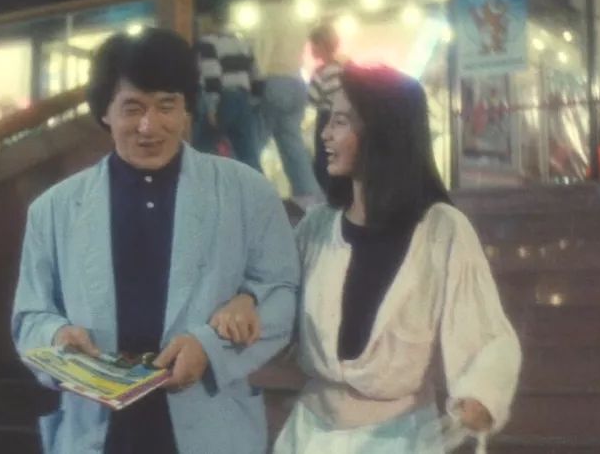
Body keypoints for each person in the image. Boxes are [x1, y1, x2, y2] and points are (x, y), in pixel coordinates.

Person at [11, 28, 300, 454]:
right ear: (105, 112)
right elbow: (29, 317)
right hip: (97, 430)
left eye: (167, 106)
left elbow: (281, 294)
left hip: (211, 424)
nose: (150, 126)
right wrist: (57, 337)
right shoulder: (53, 209)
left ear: (187, 109)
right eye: (133, 108)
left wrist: (210, 348)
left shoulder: (246, 191)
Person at [210, 64, 521, 453]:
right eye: (328, 120)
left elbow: (486, 330)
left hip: (402, 437)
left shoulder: (442, 230)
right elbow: (275, 286)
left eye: (340, 122)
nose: (325, 134)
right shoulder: (317, 227)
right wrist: (246, 299)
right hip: (309, 435)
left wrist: (479, 395)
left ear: (383, 131)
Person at [252, 0, 324, 208]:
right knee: (292, 144)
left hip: (273, 80)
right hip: (296, 81)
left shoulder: (267, 15)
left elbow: (262, 51)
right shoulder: (297, 16)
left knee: (252, 142)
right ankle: (310, 198)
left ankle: (249, 194)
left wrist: (255, 83)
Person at [193, 2, 264, 170]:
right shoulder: (242, 42)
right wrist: (253, 101)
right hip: (244, 99)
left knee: (200, 151)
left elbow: (212, 75)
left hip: (223, 99)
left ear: (208, 20)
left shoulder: (208, 42)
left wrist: (211, 107)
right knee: (248, 155)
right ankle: (257, 186)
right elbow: (257, 75)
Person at [306, 23, 343, 191]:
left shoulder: (323, 72)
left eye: (313, 44)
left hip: (326, 118)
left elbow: (312, 99)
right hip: (340, 119)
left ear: (321, 45)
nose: (311, 49)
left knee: (322, 161)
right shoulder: (341, 68)